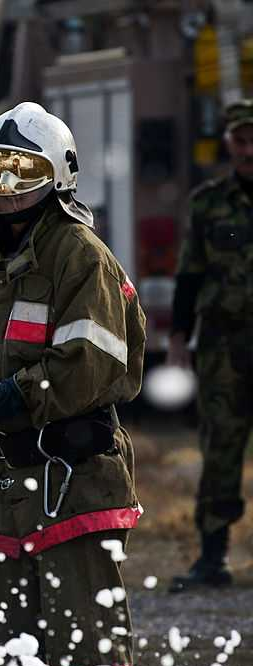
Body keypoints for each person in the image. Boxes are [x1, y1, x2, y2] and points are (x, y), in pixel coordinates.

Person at [0, 102, 145, 666]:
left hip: (71, 485)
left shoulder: (81, 256)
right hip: (4, 489)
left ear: (58, 177)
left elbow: (94, 362)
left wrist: (14, 396)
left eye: (23, 170)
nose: (6, 186)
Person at [167, 99, 253, 592]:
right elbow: (189, 273)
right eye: (240, 140)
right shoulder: (208, 203)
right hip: (224, 348)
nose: (247, 149)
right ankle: (212, 557)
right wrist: (179, 335)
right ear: (228, 143)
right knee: (220, 449)